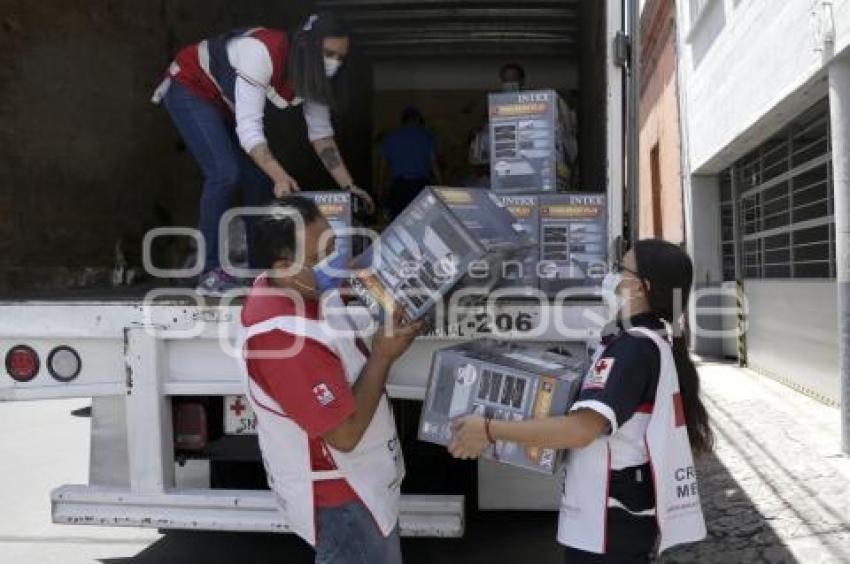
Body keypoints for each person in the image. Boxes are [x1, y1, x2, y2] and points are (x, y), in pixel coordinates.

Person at [449, 240, 713, 563]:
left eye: (622, 269)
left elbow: (581, 430)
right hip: (617, 522)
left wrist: (489, 430)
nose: (613, 276)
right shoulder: (649, 340)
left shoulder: (634, 349)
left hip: (608, 529)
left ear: (642, 287)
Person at [239, 195, 422, 564]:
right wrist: (383, 354)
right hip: (345, 498)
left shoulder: (299, 286)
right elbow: (344, 435)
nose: (333, 261)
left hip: (362, 489)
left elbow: (338, 328)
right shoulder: (284, 339)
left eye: (333, 245)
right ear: (283, 263)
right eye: (320, 254)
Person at [152, 12, 375, 295]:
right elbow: (249, 131)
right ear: (306, 45)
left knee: (259, 181)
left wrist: (348, 184)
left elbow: (321, 136)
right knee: (225, 173)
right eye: (328, 53)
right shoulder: (261, 53)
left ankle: (258, 272)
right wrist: (281, 176)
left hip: (222, 103)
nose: (333, 63)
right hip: (190, 86)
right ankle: (207, 273)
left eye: (340, 58)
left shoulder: (311, 76)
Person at [378, 106, 441, 220]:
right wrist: (440, 184)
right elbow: (434, 163)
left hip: (399, 186)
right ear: (417, 119)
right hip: (420, 187)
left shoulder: (391, 138)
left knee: (398, 221)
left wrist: (380, 188)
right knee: (422, 220)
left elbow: (383, 166)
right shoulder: (426, 137)